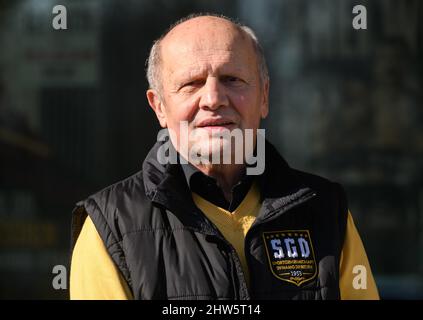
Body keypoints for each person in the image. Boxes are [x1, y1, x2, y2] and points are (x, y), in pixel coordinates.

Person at [69, 13, 379, 300]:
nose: (214, 99)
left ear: (264, 96)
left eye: (232, 79)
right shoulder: (110, 227)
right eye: (191, 84)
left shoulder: (325, 208)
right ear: (159, 106)